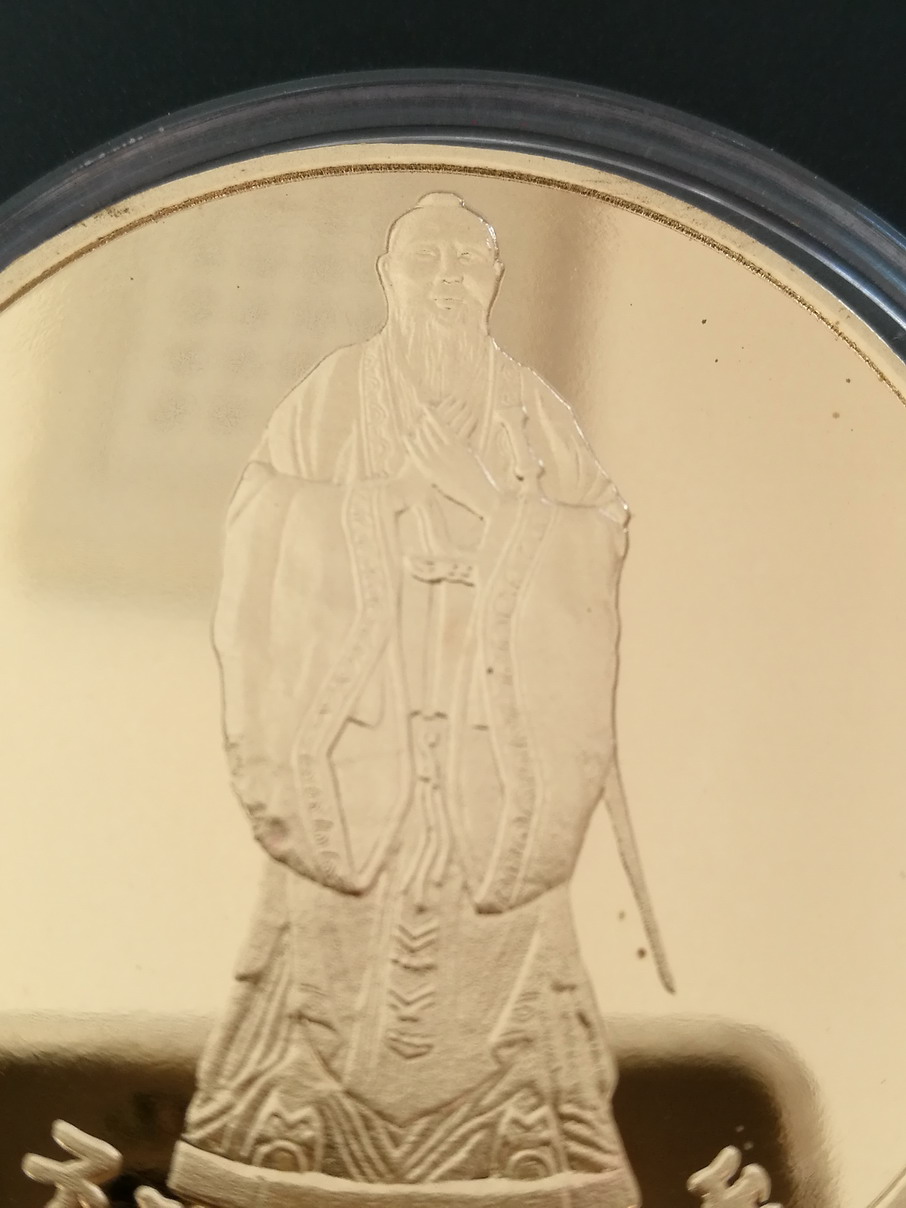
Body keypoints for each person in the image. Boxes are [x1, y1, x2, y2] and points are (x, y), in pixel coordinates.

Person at [169, 193, 668, 1208]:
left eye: (465, 263)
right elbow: (263, 517)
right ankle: (284, 1136)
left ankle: (524, 1145)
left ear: (492, 281)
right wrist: (381, 504)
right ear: (387, 277)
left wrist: (486, 501)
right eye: (425, 260)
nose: (446, 280)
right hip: (361, 752)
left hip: (493, 759)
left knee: (510, 964)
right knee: (317, 952)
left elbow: (598, 533)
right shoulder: (332, 395)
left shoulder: (531, 407)